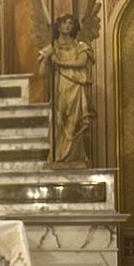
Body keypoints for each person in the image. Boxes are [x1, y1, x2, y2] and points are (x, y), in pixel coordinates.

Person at [37, 13, 94, 164]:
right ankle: (57, 155)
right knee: (59, 121)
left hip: (75, 87)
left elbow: (81, 62)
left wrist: (59, 62)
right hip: (60, 86)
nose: (67, 26)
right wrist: (46, 58)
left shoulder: (80, 46)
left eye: (70, 23)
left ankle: (74, 156)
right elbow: (41, 73)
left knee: (74, 123)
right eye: (64, 23)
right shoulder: (53, 47)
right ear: (59, 26)